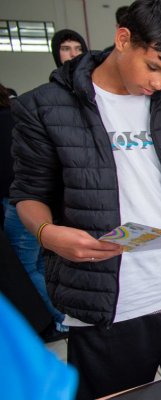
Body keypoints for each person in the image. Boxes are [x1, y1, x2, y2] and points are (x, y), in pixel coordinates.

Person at [9, 0, 161, 397]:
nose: (158, 84)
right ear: (123, 39)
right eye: (152, 67)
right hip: (108, 297)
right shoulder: (45, 107)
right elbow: (28, 195)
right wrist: (49, 235)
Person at [1, 82, 69, 341]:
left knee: (27, 264)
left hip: (22, 202)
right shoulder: (24, 114)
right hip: (42, 200)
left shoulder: (27, 112)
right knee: (42, 262)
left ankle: (61, 317)